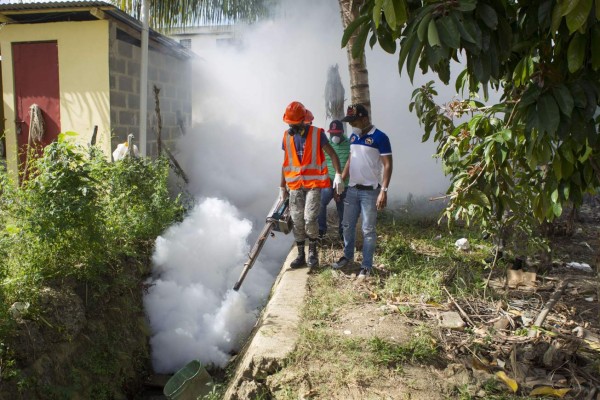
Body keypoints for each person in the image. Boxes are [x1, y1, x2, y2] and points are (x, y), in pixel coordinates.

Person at [279, 101, 344, 268]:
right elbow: (286, 163)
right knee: (297, 220)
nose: (291, 127)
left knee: (309, 219)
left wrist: (338, 175)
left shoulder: (317, 134)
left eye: (294, 123)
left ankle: (313, 253)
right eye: (289, 123)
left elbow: (332, 154)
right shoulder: (286, 136)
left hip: (313, 184)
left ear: (303, 120)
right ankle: (301, 255)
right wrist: (282, 187)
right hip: (295, 185)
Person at [332, 104, 393, 280]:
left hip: (370, 192)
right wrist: (341, 179)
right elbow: (350, 160)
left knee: (368, 230)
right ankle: (347, 257)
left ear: (365, 119)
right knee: (347, 225)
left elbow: (388, 164)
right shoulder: (353, 137)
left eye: (354, 121)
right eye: (350, 122)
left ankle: (366, 265)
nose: (352, 125)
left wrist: (384, 191)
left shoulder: (380, 137)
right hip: (352, 189)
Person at [318, 120, 350, 241]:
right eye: (332, 133)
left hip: (344, 183)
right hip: (328, 181)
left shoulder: (350, 145)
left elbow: (349, 166)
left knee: (342, 208)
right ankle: (321, 229)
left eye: (337, 133)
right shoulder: (326, 144)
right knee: (321, 202)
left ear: (342, 132)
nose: (334, 136)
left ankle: (343, 233)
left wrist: (339, 185)